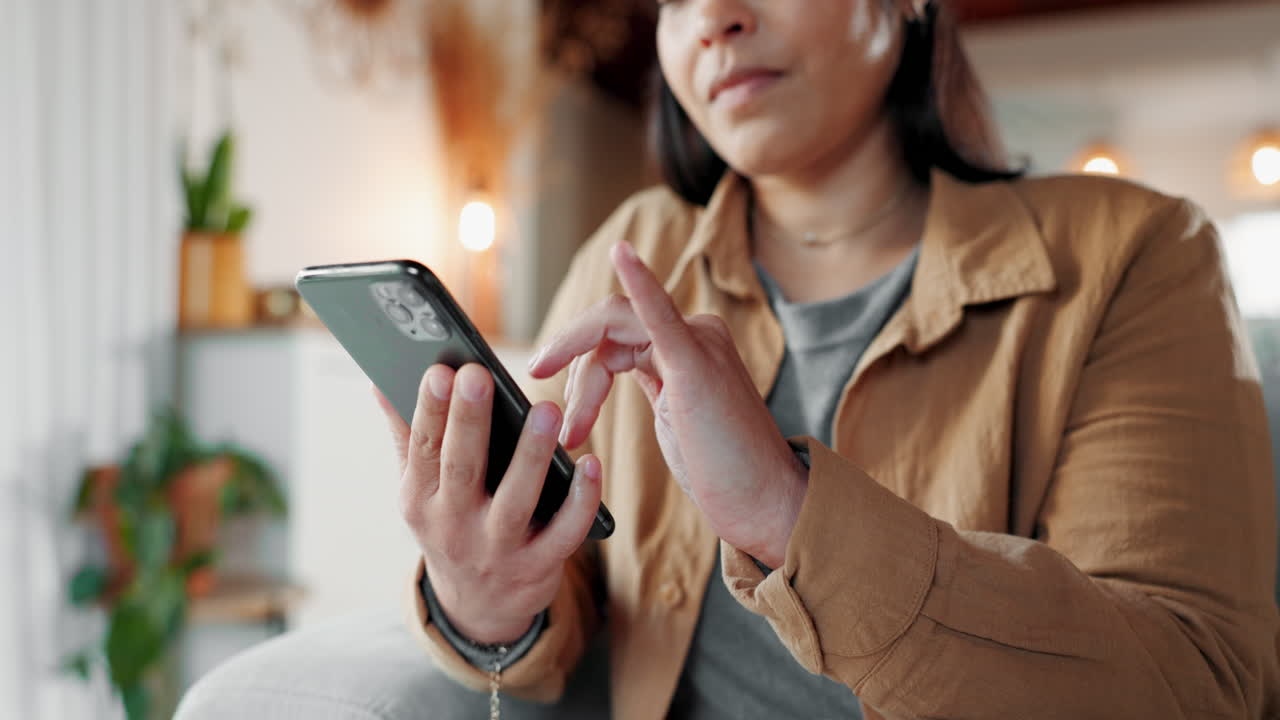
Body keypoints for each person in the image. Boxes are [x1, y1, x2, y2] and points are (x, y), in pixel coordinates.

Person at [177, 1, 1280, 718]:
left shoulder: (1133, 252)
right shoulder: (636, 247)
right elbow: (555, 629)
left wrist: (789, 510)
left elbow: (1195, 685)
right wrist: (487, 599)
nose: (713, 20)